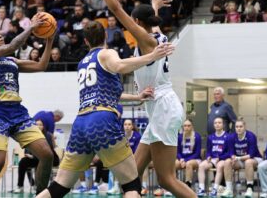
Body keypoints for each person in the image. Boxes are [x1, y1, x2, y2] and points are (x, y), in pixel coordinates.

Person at [86, 0, 194, 198]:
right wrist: (154, 6)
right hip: (160, 106)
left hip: (164, 107)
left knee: (166, 179)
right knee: (133, 174)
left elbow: (115, 7)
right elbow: (152, 21)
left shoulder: (145, 40)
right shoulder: (156, 34)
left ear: (136, 22)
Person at [35, 21, 174, 198]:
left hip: (81, 122)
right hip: (102, 120)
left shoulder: (82, 63)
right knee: (132, 185)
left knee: (58, 188)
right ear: (105, 36)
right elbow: (119, 66)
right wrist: (152, 56)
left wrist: (137, 97)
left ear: (86, 42)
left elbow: (109, 92)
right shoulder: (107, 53)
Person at [0, 13, 56, 198]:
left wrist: (49, 41)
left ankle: (41, 195)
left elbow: (41, 65)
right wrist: (31, 27)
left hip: (18, 113)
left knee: (47, 155)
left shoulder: (12, 61)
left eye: (0, 34)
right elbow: (13, 46)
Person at [13, 119, 60, 193]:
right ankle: (20, 186)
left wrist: (33, 156)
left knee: (42, 162)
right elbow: (27, 149)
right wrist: (29, 155)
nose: (38, 126)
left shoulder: (48, 135)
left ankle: (40, 188)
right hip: (35, 158)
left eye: (40, 125)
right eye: (36, 124)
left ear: (43, 126)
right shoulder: (30, 135)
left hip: (49, 159)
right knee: (23, 162)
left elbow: (48, 151)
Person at [222, 118, 262, 198]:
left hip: (254, 158)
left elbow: (251, 154)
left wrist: (238, 158)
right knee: (227, 162)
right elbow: (231, 152)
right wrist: (233, 157)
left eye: (241, 126)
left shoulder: (251, 136)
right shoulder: (231, 137)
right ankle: (229, 189)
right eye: (237, 127)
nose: (238, 128)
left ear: (245, 127)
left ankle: (249, 188)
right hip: (239, 159)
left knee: (248, 162)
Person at [107, 119, 142, 195]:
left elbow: (137, 151)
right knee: (116, 163)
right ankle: (116, 187)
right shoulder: (120, 136)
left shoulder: (137, 136)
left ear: (132, 126)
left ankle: (143, 187)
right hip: (123, 158)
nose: (127, 126)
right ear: (123, 126)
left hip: (134, 158)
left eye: (129, 124)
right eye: (125, 124)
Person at [197, 117, 229, 197]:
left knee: (219, 166)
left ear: (223, 125)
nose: (217, 124)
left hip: (223, 159)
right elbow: (208, 150)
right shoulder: (210, 137)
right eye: (215, 123)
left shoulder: (228, 136)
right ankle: (201, 189)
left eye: (219, 123)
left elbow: (229, 152)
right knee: (201, 166)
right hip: (213, 159)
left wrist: (220, 157)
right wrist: (208, 156)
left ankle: (215, 189)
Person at [176, 119, 202, 189]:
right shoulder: (180, 137)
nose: (186, 127)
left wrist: (185, 160)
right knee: (173, 164)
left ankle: (188, 186)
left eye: (188, 126)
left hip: (195, 159)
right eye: (185, 126)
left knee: (189, 164)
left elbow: (197, 153)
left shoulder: (197, 136)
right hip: (182, 159)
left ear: (192, 127)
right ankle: (173, 185)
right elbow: (177, 152)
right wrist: (181, 159)